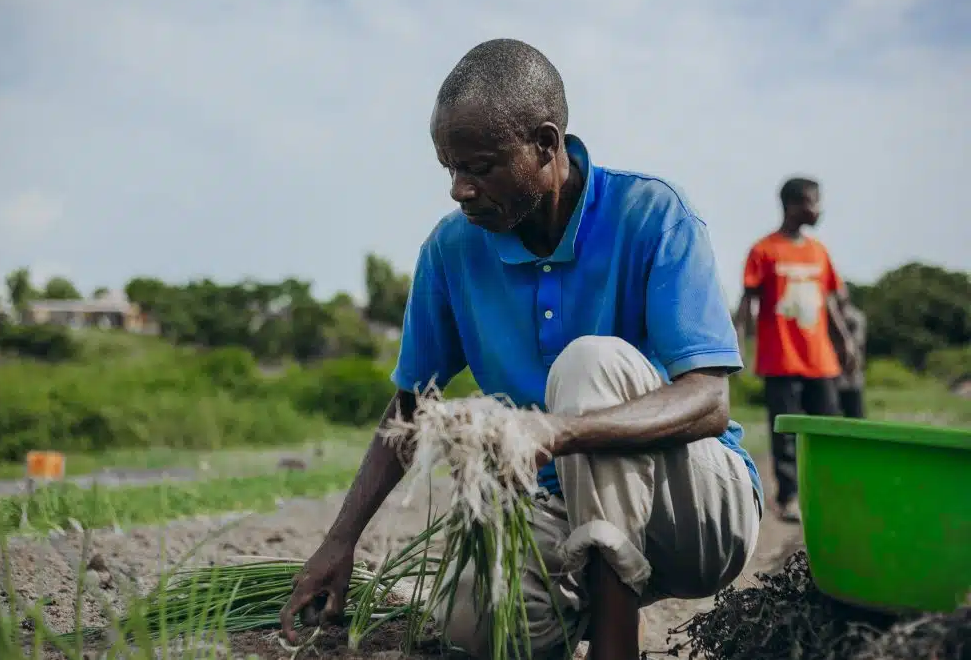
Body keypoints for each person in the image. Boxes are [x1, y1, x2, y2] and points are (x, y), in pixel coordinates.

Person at [281, 38, 763, 660]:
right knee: (471, 624)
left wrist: (557, 431)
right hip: (562, 508)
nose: (460, 189)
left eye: (480, 167)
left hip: (696, 513)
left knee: (592, 364)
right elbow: (409, 408)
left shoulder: (652, 214)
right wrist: (338, 542)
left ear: (545, 143)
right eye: (449, 169)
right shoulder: (452, 252)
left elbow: (709, 401)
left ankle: (617, 644)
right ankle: (583, 600)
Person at [734, 176, 856, 524]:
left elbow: (829, 301)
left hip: (820, 358)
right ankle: (788, 497)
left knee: (828, 430)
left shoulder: (819, 251)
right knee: (784, 432)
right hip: (780, 357)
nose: (818, 209)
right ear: (793, 205)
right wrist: (739, 344)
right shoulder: (764, 250)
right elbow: (747, 303)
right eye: (812, 202)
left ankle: (830, 494)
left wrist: (844, 339)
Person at [831, 300, 867, 418]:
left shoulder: (855, 318)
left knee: (856, 418)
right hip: (831, 375)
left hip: (850, 375)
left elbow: (856, 346)